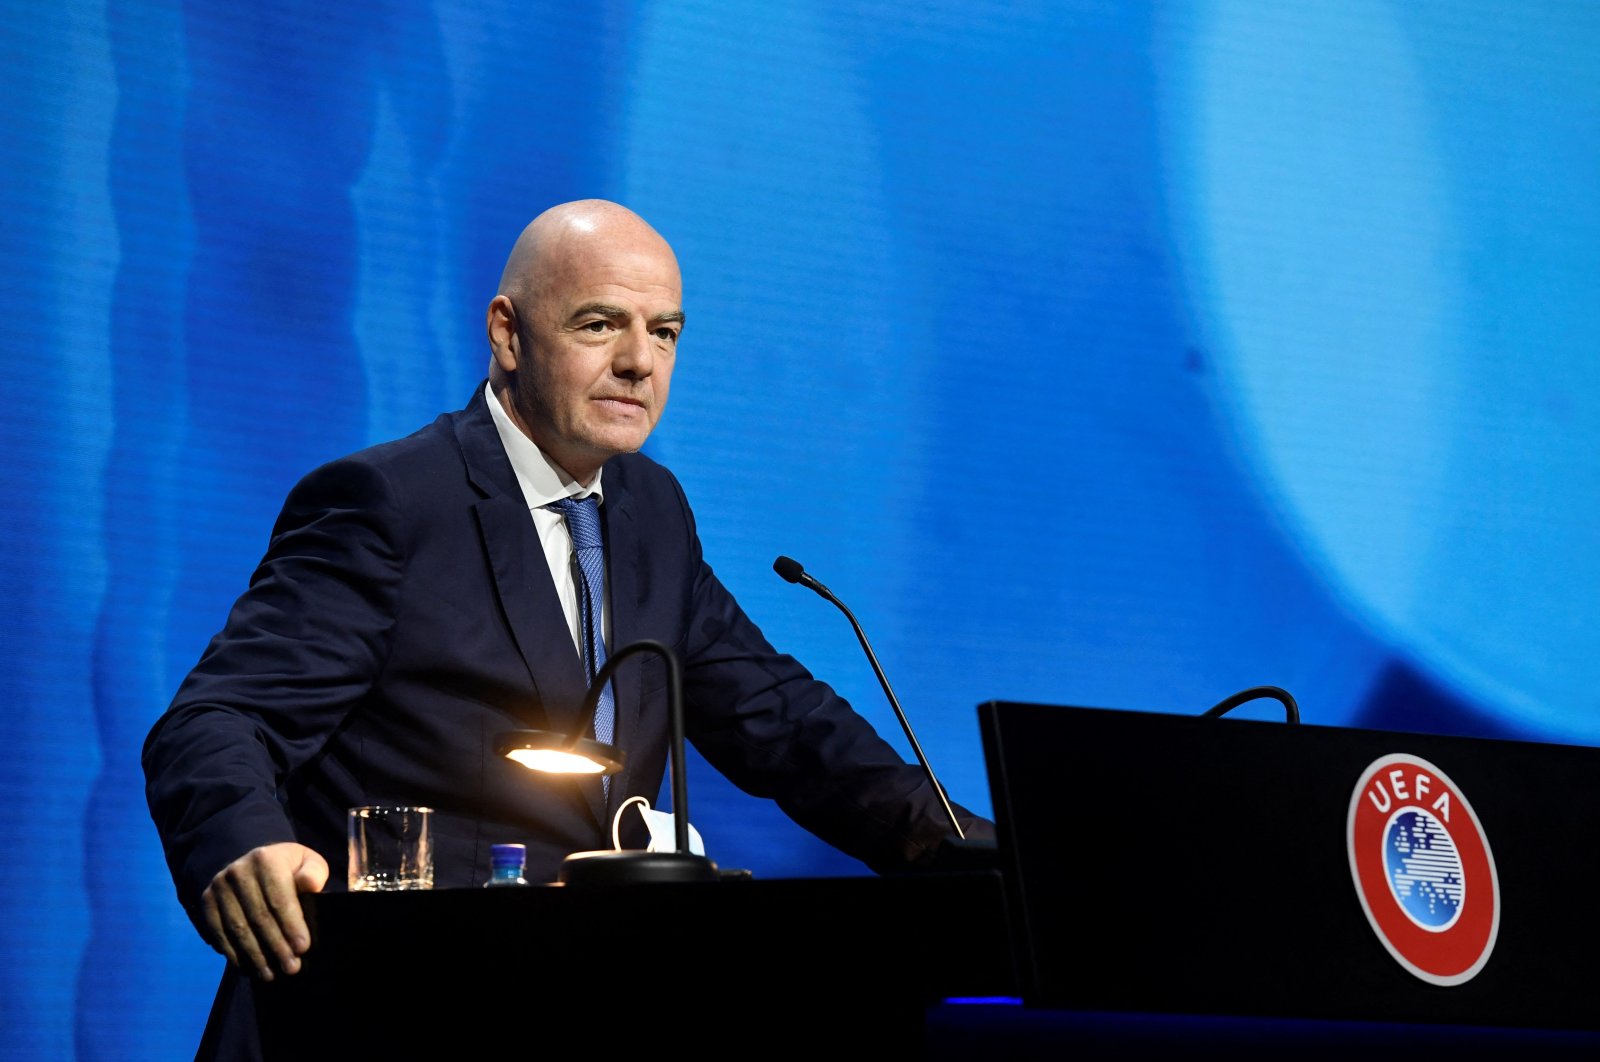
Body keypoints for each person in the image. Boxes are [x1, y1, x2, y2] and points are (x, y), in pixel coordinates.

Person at [142, 199, 994, 1056]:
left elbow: (783, 721)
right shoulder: (392, 505)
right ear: (508, 335)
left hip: (583, 1001)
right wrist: (242, 846)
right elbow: (218, 719)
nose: (638, 363)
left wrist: (990, 855)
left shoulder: (650, 511)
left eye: (665, 333)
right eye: (600, 324)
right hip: (385, 1010)